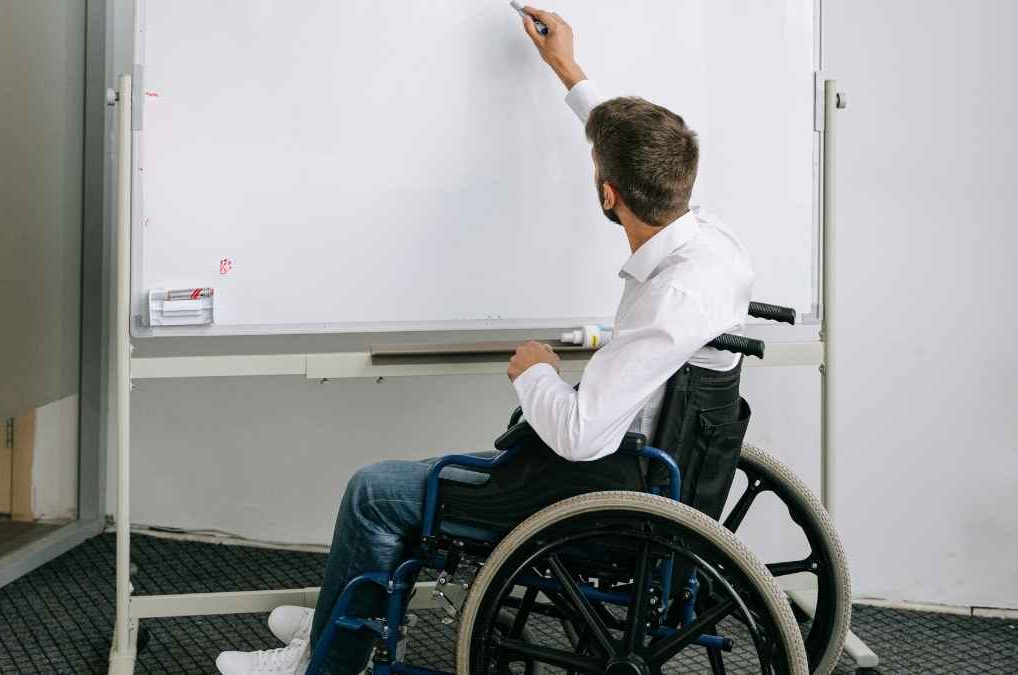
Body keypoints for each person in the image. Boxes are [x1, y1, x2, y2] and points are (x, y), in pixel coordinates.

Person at [216, 6, 753, 674]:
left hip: (606, 495)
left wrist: (535, 370)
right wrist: (566, 68)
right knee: (425, 476)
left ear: (609, 194)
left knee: (376, 490)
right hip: (646, 475)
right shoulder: (710, 243)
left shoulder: (671, 299)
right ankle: (342, 620)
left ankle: (327, 659)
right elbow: (625, 146)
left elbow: (582, 431)